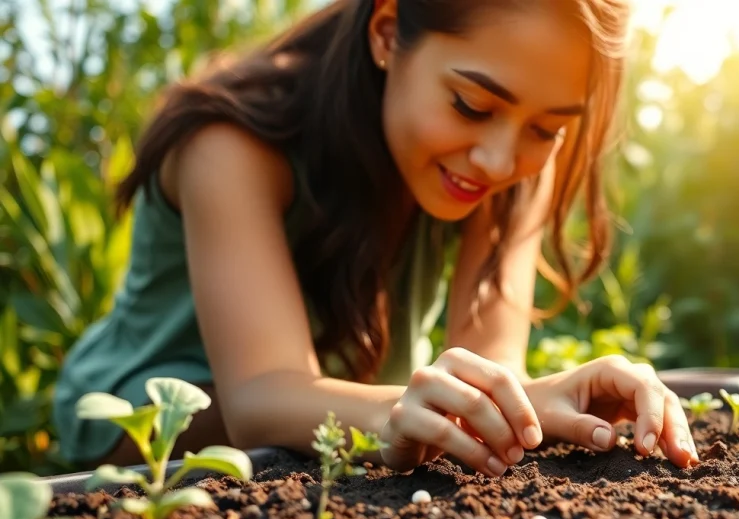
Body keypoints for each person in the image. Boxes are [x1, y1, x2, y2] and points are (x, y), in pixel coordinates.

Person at [52, 0, 699, 477]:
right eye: (472, 106)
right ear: (387, 33)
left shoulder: (510, 168)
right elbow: (258, 399)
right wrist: (405, 413)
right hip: (154, 423)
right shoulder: (231, 144)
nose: (500, 159)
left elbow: (491, 373)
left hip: (343, 413)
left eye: (547, 129)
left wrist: (546, 402)